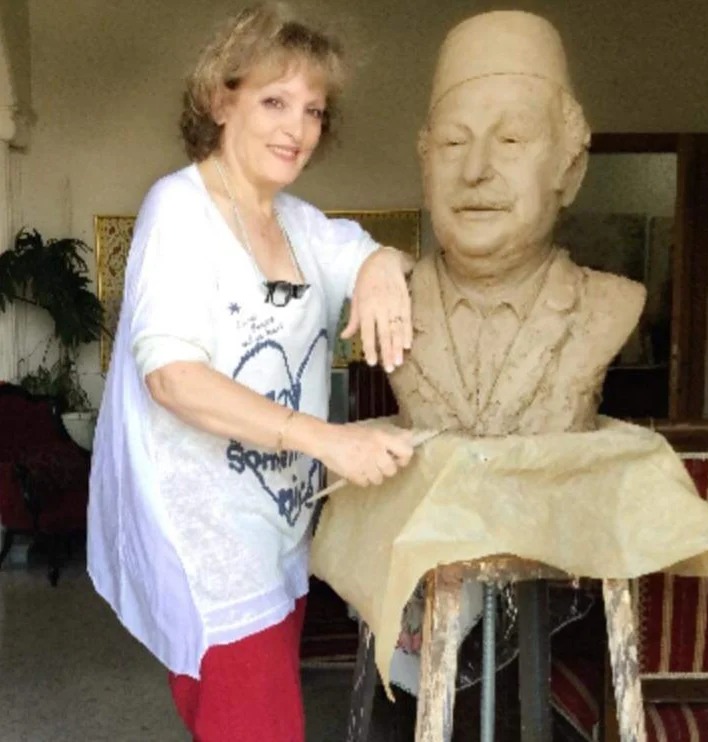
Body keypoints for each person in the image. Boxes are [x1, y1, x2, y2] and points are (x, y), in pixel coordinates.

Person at [87, 5, 415, 740]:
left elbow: (370, 253)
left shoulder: (297, 221)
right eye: (274, 101)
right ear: (220, 100)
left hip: (278, 529)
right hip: (206, 538)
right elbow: (171, 376)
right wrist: (327, 440)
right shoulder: (180, 209)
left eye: (313, 110)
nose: (296, 128)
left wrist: (381, 267)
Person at [389, 10, 646, 436]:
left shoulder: (610, 304)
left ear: (571, 170)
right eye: (453, 142)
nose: (475, 170)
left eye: (510, 140)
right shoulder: (391, 304)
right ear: (425, 167)